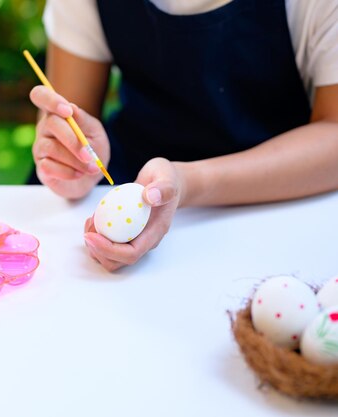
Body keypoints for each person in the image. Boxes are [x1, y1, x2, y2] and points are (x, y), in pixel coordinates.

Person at [28, 0, 338, 271]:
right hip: (130, 175)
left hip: (275, 197)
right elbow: (69, 115)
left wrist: (188, 182)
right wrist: (73, 160)